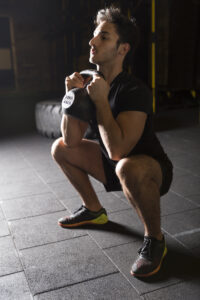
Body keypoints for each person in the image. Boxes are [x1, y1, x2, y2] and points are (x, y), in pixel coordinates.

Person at [51, 6, 173, 278]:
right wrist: (71, 97)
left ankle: (155, 239)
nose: (93, 42)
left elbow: (119, 151)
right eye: (94, 36)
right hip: (113, 163)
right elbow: (71, 142)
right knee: (58, 147)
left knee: (127, 167)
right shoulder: (91, 83)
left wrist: (100, 101)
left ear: (123, 49)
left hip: (148, 170)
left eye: (104, 37)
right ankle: (94, 210)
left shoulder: (134, 90)